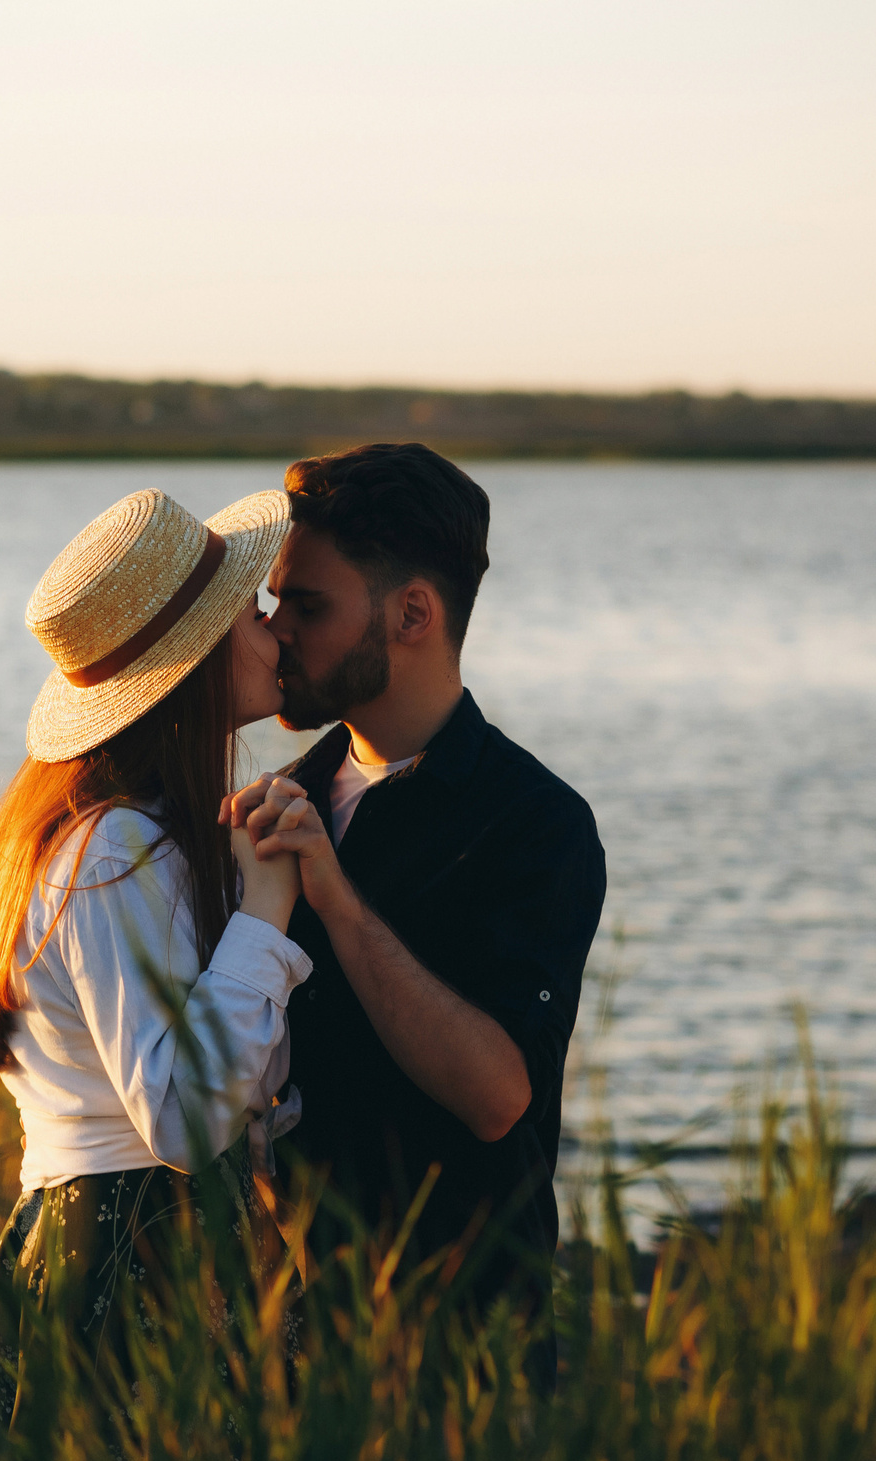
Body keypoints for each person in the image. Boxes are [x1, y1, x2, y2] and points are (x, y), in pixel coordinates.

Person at [0, 485, 308, 1450]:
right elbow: (183, 1117)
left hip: (137, 1234)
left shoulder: (131, 838)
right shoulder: (112, 851)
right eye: (248, 612)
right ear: (196, 664)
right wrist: (267, 913)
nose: (272, 627)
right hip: (131, 1250)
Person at [230, 443, 605, 1383]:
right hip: (290, 1347)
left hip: (465, 1359)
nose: (275, 633)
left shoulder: (538, 824)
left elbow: (498, 1096)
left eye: (307, 605)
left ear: (413, 613)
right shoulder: (278, 799)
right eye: (274, 604)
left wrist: (337, 903)